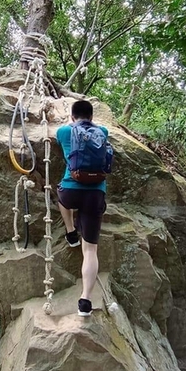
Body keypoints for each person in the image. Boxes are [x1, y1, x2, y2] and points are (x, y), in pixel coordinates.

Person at [55, 99, 108, 317]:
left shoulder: (64, 132)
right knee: (91, 251)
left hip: (71, 190)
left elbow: (63, 132)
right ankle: (85, 301)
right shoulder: (102, 131)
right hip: (96, 193)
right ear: (92, 117)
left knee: (60, 195)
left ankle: (70, 232)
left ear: (72, 117)